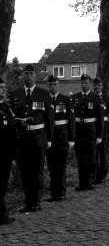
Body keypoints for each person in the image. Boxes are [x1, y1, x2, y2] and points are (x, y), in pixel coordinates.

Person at [9, 64, 54, 213]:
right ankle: (28, 202)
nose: (28, 76)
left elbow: (49, 118)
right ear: (23, 75)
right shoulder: (15, 94)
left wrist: (49, 139)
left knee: (37, 171)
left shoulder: (44, 94)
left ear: (35, 75)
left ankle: (36, 202)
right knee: (25, 172)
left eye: (31, 73)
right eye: (26, 73)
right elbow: (12, 118)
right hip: (22, 139)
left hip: (38, 138)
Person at [72, 74, 104, 191]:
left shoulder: (95, 98)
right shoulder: (75, 97)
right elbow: (72, 117)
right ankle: (82, 183)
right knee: (81, 159)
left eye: (86, 83)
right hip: (79, 131)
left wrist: (100, 135)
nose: (84, 85)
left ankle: (90, 181)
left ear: (90, 84)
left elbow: (100, 118)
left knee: (91, 158)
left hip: (91, 131)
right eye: (82, 83)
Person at [46, 74, 75, 202]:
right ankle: (53, 193)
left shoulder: (66, 100)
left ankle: (61, 192)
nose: (53, 87)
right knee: (52, 167)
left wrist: (72, 139)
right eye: (51, 84)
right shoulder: (45, 100)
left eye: (55, 84)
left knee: (61, 166)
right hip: (49, 138)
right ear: (48, 86)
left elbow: (71, 120)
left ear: (59, 85)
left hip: (62, 137)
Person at [0, 77, 16, 224]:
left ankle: (2, 213)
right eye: (0, 88)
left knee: (3, 183)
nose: (3, 91)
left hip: (7, 152)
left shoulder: (6, 106)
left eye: (4, 88)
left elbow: (11, 128)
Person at [93, 77, 109, 183]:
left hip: (105, 130)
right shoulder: (91, 97)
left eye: (99, 85)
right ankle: (95, 174)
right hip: (94, 130)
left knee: (103, 153)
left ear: (102, 86)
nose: (97, 87)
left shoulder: (107, 98)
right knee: (94, 154)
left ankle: (104, 173)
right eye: (95, 85)